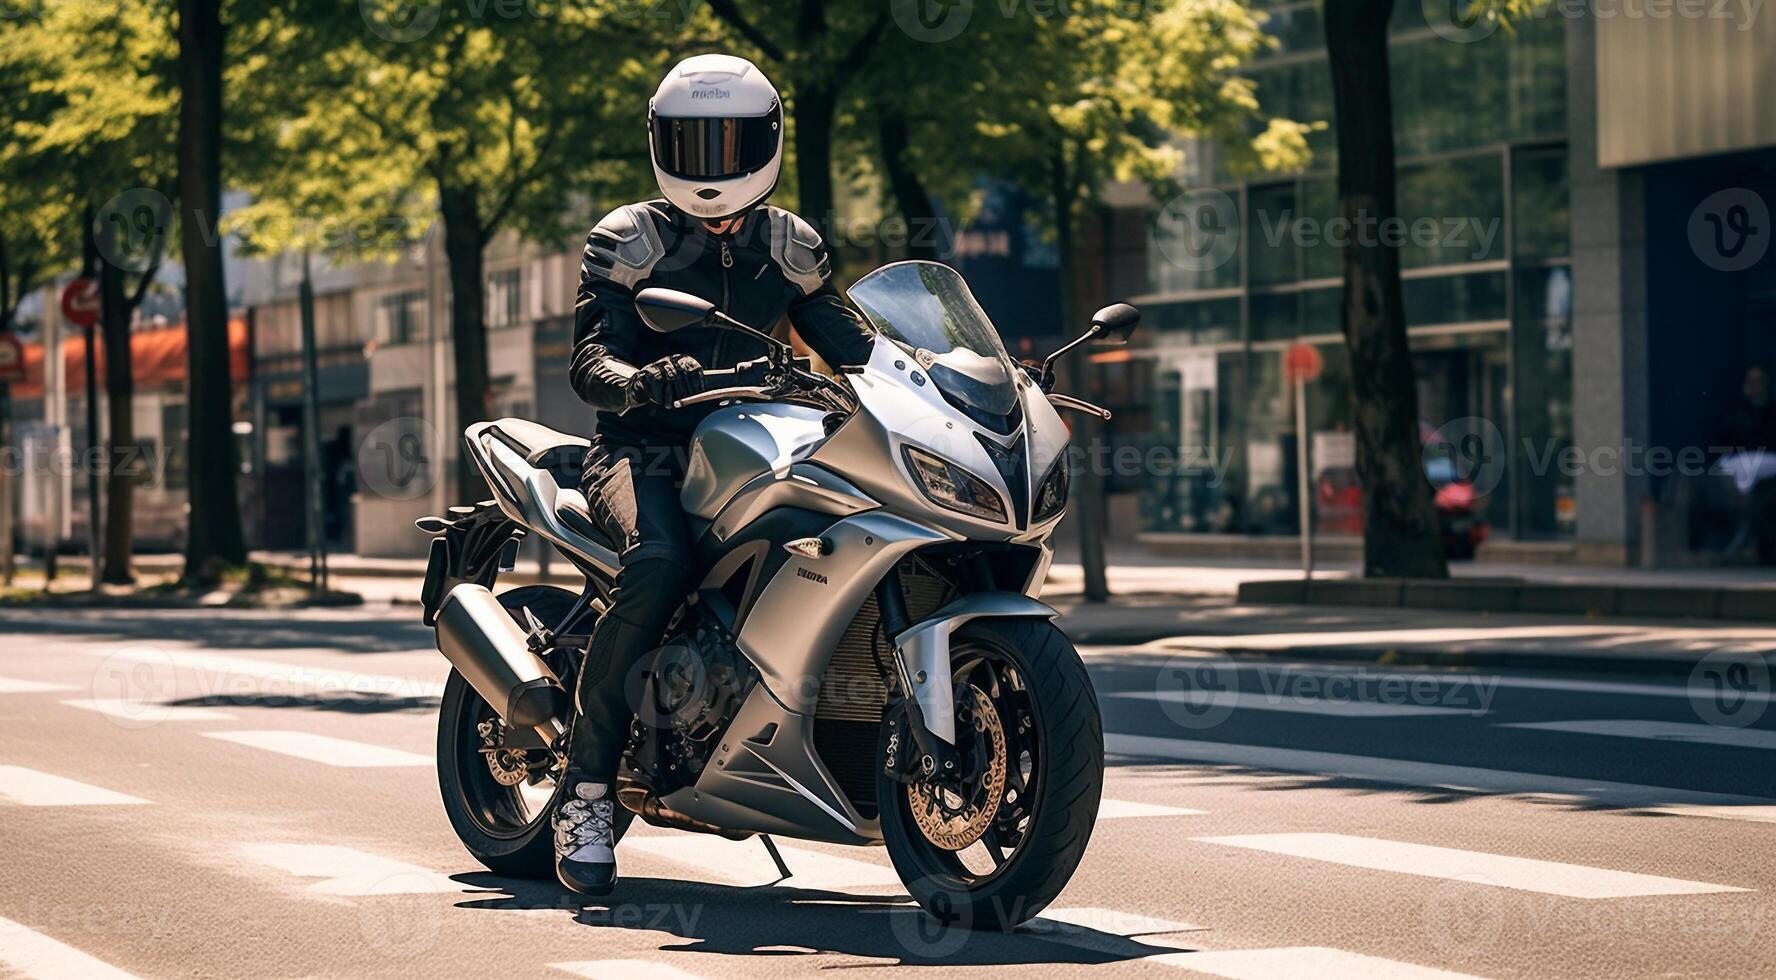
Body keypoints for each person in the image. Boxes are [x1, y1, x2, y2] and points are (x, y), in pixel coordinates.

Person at [553, 53, 875, 895]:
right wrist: (636, 382)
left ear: (766, 142)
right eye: (693, 144)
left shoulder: (790, 245)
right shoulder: (630, 241)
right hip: (642, 449)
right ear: (661, 145)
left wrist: (947, 376)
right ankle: (584, 791)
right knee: (658, 564)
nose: (712, 163)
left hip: (762, 442)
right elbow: (589, 360)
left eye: (728, 142)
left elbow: (856, 348)